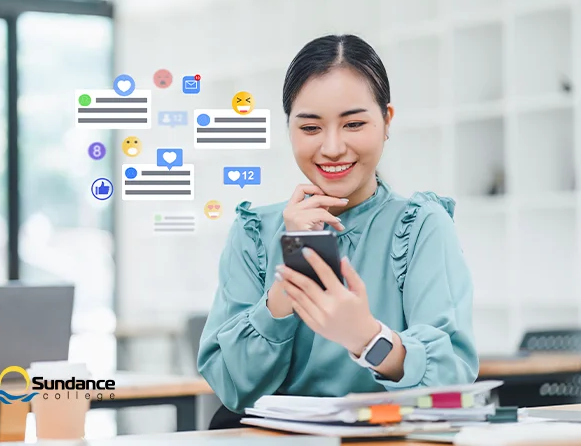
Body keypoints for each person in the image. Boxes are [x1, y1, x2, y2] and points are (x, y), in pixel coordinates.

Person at [197, 34, 479, 429]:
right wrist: (288, 277)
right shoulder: (253, 233)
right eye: (311, 127)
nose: (331, 147)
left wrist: (367, 337)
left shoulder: (421, 226)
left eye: (354, 124)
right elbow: (231, 386)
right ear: (289, 129)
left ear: (387, 122)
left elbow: (452, 378)